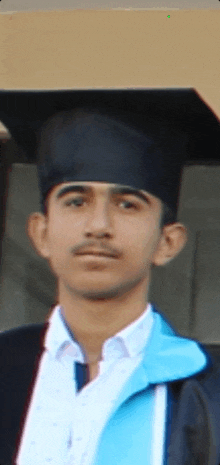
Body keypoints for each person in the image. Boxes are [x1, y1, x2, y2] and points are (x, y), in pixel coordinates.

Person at [0, 93, 220, 465]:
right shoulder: (7, 366)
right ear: (40, 233)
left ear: (168, 242)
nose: (99, 226)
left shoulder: (208, 389)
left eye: (127, 204)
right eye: (75, 201)